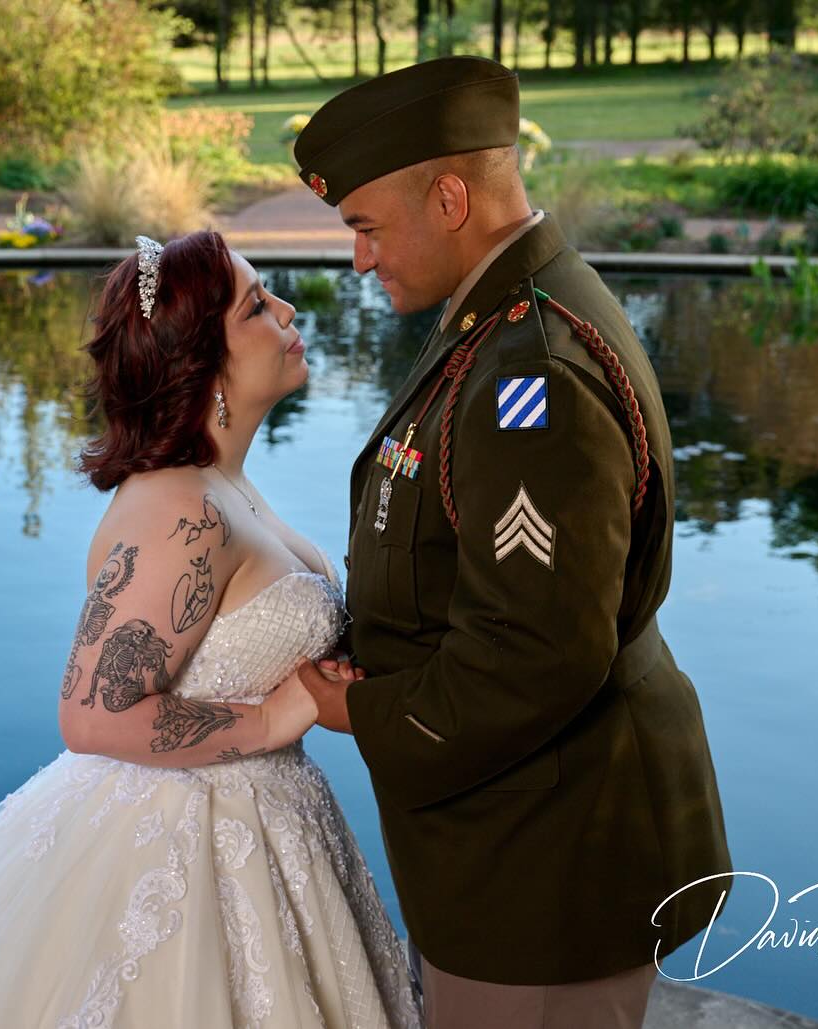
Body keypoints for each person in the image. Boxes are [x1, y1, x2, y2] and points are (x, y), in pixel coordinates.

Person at [0, 230, 421, 1029]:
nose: (286, 310)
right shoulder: (181, 509)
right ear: (202, 364)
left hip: (273, 827)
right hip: (188, 849)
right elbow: (94, 712)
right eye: (255, 305)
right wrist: (276, 716)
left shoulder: (224, 484)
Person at [290, 57, 735, 1029]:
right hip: (521, 842)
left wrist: (362, 715)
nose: (358, 259)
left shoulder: (528, 371)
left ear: (449, 197)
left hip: (549, 865)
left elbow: (536, 653)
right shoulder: (500, 320)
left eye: (365, 226)